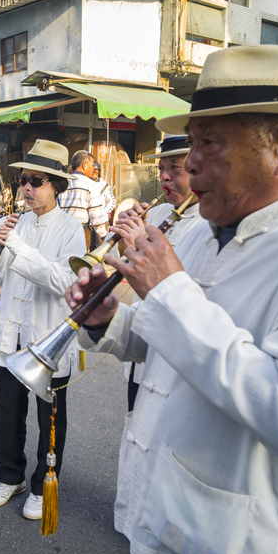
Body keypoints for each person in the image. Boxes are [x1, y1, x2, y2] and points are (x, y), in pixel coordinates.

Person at [66, 45, 278, 554]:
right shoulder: (196, 233)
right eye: (191, 144)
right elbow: (165, 348)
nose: (189, 164)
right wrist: (109, 322)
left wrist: (169, 291)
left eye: (210, 143)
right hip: (158, 518)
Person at [0, 139, 86, 520]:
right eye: (23, 180)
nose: (26, 188)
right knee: (9, 410)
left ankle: (46, 480)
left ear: (56, 185)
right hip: (13, 335)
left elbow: (62, 280)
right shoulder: (16, 222)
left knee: (50, 418)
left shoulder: (72, 229)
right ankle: (10, 475)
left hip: (49, 339)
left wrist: (19, 248)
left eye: (36, 181)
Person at [116, 135, 204, 410]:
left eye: (175, 169)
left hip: (173, 358)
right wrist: (125, 233)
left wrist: (137, 245)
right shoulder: (158, 213)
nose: (164, 177)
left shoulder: (208, 222)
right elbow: (127, 256)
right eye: (160, 169)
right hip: (139, 342)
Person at [56, 150, 108, 250]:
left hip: (61, 231)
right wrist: (103, 234)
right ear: (84, 165)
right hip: (80, 232)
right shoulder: (90, 184)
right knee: (78, 262)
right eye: (92, 165)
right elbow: (96, 215)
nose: (93, 168)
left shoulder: (63, 182)